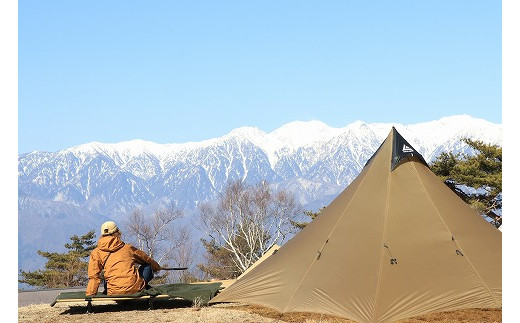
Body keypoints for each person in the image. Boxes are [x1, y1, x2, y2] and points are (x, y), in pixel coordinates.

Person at [86, 221, 162, 296]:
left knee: (108, 275)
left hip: (113, 292)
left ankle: (116, 289)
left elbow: (94, 277)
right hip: (135, 289)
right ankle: (142, 286)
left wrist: (90, 295)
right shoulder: (128, 248)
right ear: (117, 232)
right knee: (148, 265)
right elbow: (146, 259)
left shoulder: (96, 252)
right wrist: (157, 267)